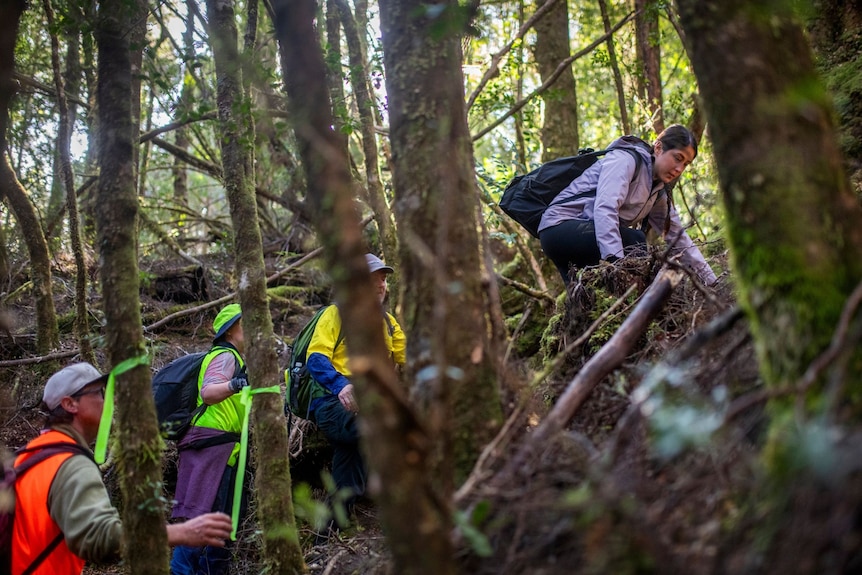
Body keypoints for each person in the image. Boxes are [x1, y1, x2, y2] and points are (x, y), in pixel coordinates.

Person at [11, 362, 232, 575]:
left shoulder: (28, 456)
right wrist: (178, 533)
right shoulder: (69, 463)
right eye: (99, 392)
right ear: (70, 404)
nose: (108, 400)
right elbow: (99, 539)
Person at [537, 125, 717, 286]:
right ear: (659, 147)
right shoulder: (626, 159)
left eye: (686, 164)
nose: (679, 169)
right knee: (634, 241)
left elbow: (678, 237)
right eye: (678, 158)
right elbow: (605, 209)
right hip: (558, 227)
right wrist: (618, 264)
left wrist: (712, 281)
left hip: (585, 235)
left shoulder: (657, 192)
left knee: (588, 295)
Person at [306, 253, 406, 514]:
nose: (380, 284)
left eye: (383, 278)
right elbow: (315, 358)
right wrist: (341, 386)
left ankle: (328, 535)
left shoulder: (389, 324)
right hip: (332, 401)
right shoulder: (335, 314)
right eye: (371, 278)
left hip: (369, 402)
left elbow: (413, 359)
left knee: (347, 478)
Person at [171, 303, 249, 575]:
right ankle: (180, 571)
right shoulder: (225, 356)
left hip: (219, 446)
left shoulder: (236, 359)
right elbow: (208, 393)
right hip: (210, 444)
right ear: (231, 331)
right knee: (201, 516)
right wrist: (234, 384)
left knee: (217, 520)